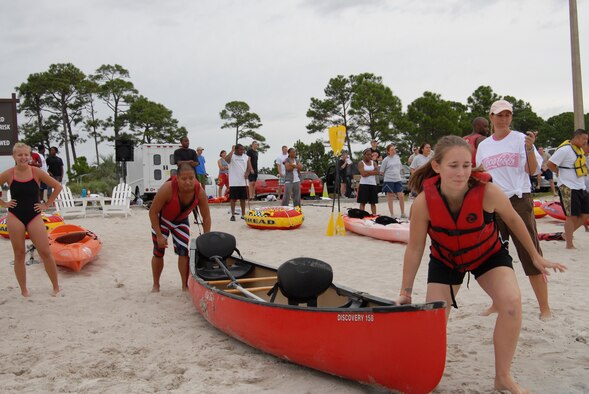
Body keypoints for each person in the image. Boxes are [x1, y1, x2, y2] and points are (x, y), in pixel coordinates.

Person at [396, 135, 566, 393]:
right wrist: (405, 292)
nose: (461, 172)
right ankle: (423, 372)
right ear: (437, 167)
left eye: (466, 165)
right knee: (434, 321)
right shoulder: (423, 203)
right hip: (446, 259)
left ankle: (503, 377)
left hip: (487, 255)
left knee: (511, 304)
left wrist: (535, 256)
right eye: (453, 165)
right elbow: (416, 247)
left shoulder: (487, 192)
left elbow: (514, 220)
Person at [476, 99, 553, 320]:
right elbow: (482, 173)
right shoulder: (484, 145)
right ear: (491, 116)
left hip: (519, 200)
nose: (504, 118)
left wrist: (529, 149)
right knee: (494, 255)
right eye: (499, 114)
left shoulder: (520, 139)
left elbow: (531, 169)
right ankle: (497, 302)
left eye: (508, 114)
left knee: (531, 253)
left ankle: (544, 307)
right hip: (493, 203)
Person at [0, 142, 62, 297]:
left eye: (26, 154)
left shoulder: (36, 172)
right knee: (19, 253)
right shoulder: (9, 173)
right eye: (20, 155)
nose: (23, 157)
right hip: (15, 215)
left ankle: (55, 287)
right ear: (14, 156)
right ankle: (24, 290)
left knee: (45, 252)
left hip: (34, 215)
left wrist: (47, 204)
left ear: (30, 156)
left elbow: (57, 187)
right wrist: (4, 204)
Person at [148, 162, 211, 292]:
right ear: (177, 178)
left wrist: (206, 237)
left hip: (181, 221)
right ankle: (156, 285)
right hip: (162, 220)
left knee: (183, 252)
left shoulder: (199, 191)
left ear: (195, 178)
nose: (188, 182)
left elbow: (206, 216)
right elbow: (153, 212)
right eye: (184, 179)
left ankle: (184, 285)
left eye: (191, 178)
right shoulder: (167, 188)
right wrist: (159, 236)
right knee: (158, 252)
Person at [546, 129, 589, 249]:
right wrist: (558, 172)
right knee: (572, 216)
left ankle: (566, 234)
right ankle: (569, 244)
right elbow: (550, 164)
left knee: (585, 214)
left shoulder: (580, 150)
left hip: (580, 186)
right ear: (576, 137)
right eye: (583, 139)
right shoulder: (565, 149)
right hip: (568, 186)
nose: (585, 141)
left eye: (586, 139)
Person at [173, 136, 199, 223]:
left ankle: (196, 217)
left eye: (188, 141)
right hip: (181, 177)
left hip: (193, 177)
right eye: (185, 141)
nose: (187, 142)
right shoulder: (177, 152)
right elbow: (178, 164)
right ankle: (179, 217)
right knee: (179, 197)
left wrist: (185, 162)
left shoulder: (192, 151)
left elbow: (196, 163)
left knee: (195, 197)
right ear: (181, 142)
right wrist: (189, 162)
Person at [226, 144, 252, 221]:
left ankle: (243, 214)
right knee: (233, 199)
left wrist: (247, 173)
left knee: (243, 199)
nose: (242, 151)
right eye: (240, 149)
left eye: (243, 149)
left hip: (243, 181)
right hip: (234, 182)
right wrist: (232, 150)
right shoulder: (232, 156)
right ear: (236, 149)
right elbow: (227, 160)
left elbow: (249, 167)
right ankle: (233, 215)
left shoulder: (245, 157)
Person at [380, 144, 406, 218]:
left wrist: (403, 170)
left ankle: (403, 213)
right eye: (392, 150)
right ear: (388, 151)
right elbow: (382, 171)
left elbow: (400, 166)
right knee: (390, 197)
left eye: (394, 149)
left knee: (401, 196)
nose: (394, 151)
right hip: (389, 180)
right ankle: (392, 214)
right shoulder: (385, 160)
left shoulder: (397, 157)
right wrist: (388, 175)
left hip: (398, 179)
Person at [357, 148, 379, 215]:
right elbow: (363, 174)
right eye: (367, 155)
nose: (369, 156)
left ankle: (374, 216)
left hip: (373, 184)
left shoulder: (374, 162)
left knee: (373, 203)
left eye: (370, 155)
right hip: (364, 184)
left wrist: (367, 172)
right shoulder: (361, 163)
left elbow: (377, 172)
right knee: (362, 202)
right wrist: (372, 172)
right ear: (364, 155)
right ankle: (361, 215)